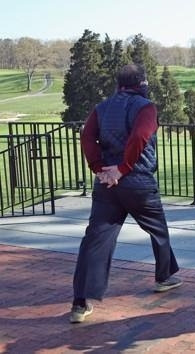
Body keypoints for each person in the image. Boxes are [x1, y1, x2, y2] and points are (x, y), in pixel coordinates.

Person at [70, 64, 182, 323]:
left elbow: (87, 137)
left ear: (119, 84)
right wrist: (122, 169)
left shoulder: (102, 107)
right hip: (137, 182)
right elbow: (140, 137)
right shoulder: (146, 107)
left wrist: (99, 169)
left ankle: (80, 303)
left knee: (95, 241)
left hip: (107, 186)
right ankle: (163, 277)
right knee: (158, 230)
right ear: (142, 83)